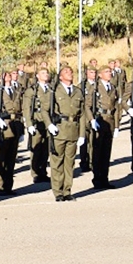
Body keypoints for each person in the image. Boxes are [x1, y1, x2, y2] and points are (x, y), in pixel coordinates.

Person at [42, 67, 86, 201]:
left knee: (69, 163)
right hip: (59, 130)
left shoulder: (77, 92)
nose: (70, 73)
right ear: (60, 77)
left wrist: (82, 134)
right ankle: (58, 191)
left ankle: (67, 190)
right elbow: (45, 110)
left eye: (71, 71)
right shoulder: (54, 92)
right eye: (66, 72)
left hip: (73, 130)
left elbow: (82, 114)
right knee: (57, 162)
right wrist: (49, 125)